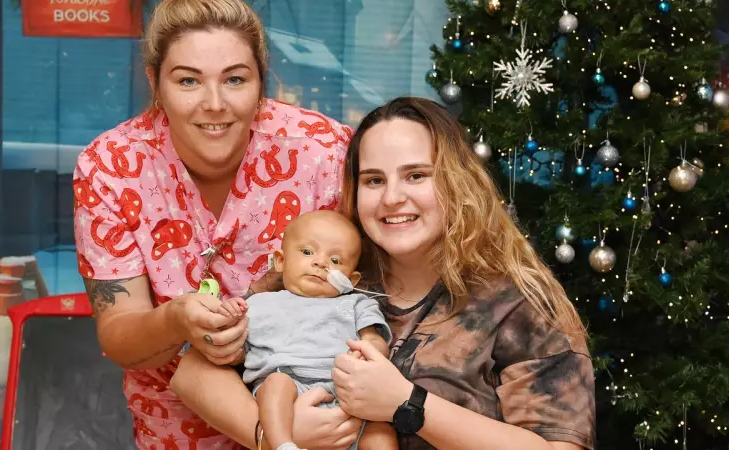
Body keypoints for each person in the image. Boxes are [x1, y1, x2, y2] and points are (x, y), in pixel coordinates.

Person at [172, 96, 596, 450]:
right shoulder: (331, 270)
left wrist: (407, 404)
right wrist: (271, 433)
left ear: (456, 182)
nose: (393, 198)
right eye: (374, 180)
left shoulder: (517, 301)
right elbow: (194, 372)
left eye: (416, 175)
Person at [71, 0, 361, 448]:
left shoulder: (324, 153)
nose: (214, 104)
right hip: (173, 427)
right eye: (188, 80)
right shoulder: (110, 168)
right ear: (155, 82)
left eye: (235, 79)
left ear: (262, 81)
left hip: (315, 414)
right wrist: (174, 320)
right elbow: (119, 336)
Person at [212, 210, 395, 450]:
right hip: (289, 389)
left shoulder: (356, 304)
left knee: (381, 433)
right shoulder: (257, 305)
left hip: (347, 393)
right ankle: (283, 445)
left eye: (336, 261)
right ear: (281, 261)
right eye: (308, 252)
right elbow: (238, 354)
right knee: (275, 384)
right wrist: (229, 323)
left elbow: (374, 338)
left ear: (352, 280)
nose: (320, 263)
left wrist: (367, 350)